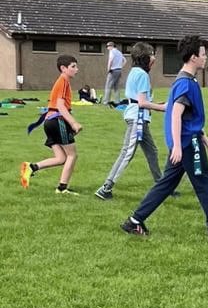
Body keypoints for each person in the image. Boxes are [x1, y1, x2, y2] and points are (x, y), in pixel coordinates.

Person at [120, 35, 208, 237]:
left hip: (189, 139)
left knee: (166, 184)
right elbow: (176, 114)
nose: (206, 58)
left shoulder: (188, 80)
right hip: (188, 144)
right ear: (193, 57)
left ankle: (134, 221)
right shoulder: (184, 84)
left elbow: (189, 116)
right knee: (205, 181)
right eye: (203, 54)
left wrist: (202, 134)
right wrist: (179, 146)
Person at [95, 42, 167, 200]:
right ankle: (106, 187)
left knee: (152, 152)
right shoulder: (142, 75)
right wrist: (163, 108)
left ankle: (161, 187)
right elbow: (141, 102)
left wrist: (156, 104)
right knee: (127, 152)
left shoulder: (135, 71)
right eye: (152, 54)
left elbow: (139, 99)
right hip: (137, 119)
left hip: (139, 117)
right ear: (145, 58)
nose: (154, 58)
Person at [20, 54, 83, 194]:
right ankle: (62, 189)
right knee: (72, 155)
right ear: (63, 68)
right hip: (57, 120)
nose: (76, 69)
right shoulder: (63, 81)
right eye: (73, 66)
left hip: (50, 122)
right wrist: (73, 123)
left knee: (61, 158)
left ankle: (31, 167)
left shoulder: (63, 82)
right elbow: (60, 106)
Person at [101, 41, 125, 107]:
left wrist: (108, 69)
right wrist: (120, 66)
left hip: (113, 70)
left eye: (108, 46)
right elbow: (124, 60)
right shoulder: (119, 52)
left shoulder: (112, 51)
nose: (107, 48)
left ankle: (106, 102)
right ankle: (117, 101)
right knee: (116, 87)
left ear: (111, 46)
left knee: (108, 86)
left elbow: (110, 60)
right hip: (119, 70)